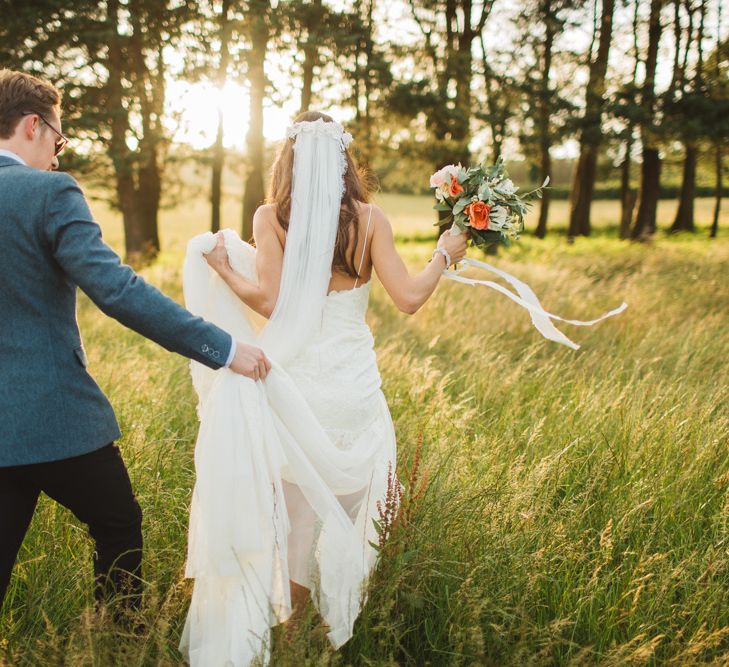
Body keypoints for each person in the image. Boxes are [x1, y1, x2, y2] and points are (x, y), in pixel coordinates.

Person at [179, 111, 467, 665]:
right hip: (354, 392)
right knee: (358, 514)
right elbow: (408, 298)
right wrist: (444, 256)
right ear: (343, 161)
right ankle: (351, 623)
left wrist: (222, 268)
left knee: (295, 521)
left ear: (288, 159)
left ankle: (290, 638)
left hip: (299, 393)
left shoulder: (272, 217)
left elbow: (270, 302)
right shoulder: (371, 219)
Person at [0, 69, 271, 619]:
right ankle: (121, 644)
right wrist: (222, 346)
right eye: (59, 136)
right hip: (52, 417)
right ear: (33, 125)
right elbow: (117, 291)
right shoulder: (49, 192)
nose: (58, 151)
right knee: (118, 520)